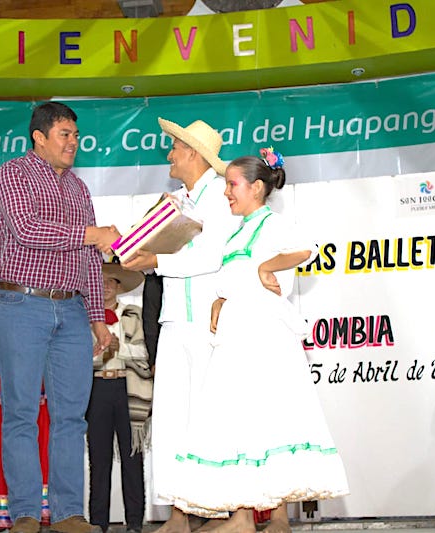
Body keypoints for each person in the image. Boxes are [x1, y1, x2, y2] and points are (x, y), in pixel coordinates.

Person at [164, 150, 349, 533]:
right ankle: (245, 515)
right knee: (242, 422)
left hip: (264, 338)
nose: (227, 193)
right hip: (236, 336)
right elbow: (232, 277)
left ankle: (269, 517)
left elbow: (306, 249)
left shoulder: (271, 222)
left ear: (257, 188)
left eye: (233, 185)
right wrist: (218, 302)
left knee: (269, 417)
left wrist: (267, 266)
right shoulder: (237, 230)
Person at [0, 101, 119, 533]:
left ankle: (68, 514)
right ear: (39, 137)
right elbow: (27, 228)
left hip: (73, 309)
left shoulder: (79, 189)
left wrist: (98, 316)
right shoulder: (12, 174)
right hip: (21, 304)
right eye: (64, 134)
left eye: (76, 135)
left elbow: (88, 261)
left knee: (71, 416)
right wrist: (90, 234)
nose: (73, 143)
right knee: (22, 412)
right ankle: (25, 512)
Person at [121, 118, 240, 533]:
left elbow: (212, 258)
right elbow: (145, 248)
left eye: (173, 147)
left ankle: (218, 510)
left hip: (208, 324)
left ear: (192, 152)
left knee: (210, 420)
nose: (169, 154)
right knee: (172, 420)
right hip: (174, 321)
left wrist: (156, 260)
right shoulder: (175, 200)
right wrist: (132, 249)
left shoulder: (220, 200)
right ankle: (179, 514)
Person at [87, 260, 149, 533]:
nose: (105, 287)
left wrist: (119, 346)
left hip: (127, 389)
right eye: (100, 282)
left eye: (111, 282)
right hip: (97, 388)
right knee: (98, 459)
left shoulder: (133, 315)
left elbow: (143, 355)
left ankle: (135, 522)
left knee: (132, 456)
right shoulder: (84, 319)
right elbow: (79, 361)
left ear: (119, 287)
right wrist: (101, 350)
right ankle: (97, 522)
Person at [0, 330, 51, 530]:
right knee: (0, 450)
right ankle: (4, 511)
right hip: (4, 394)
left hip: (32, 391)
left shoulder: (44, 326)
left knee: (35, 450)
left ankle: (31, 513)